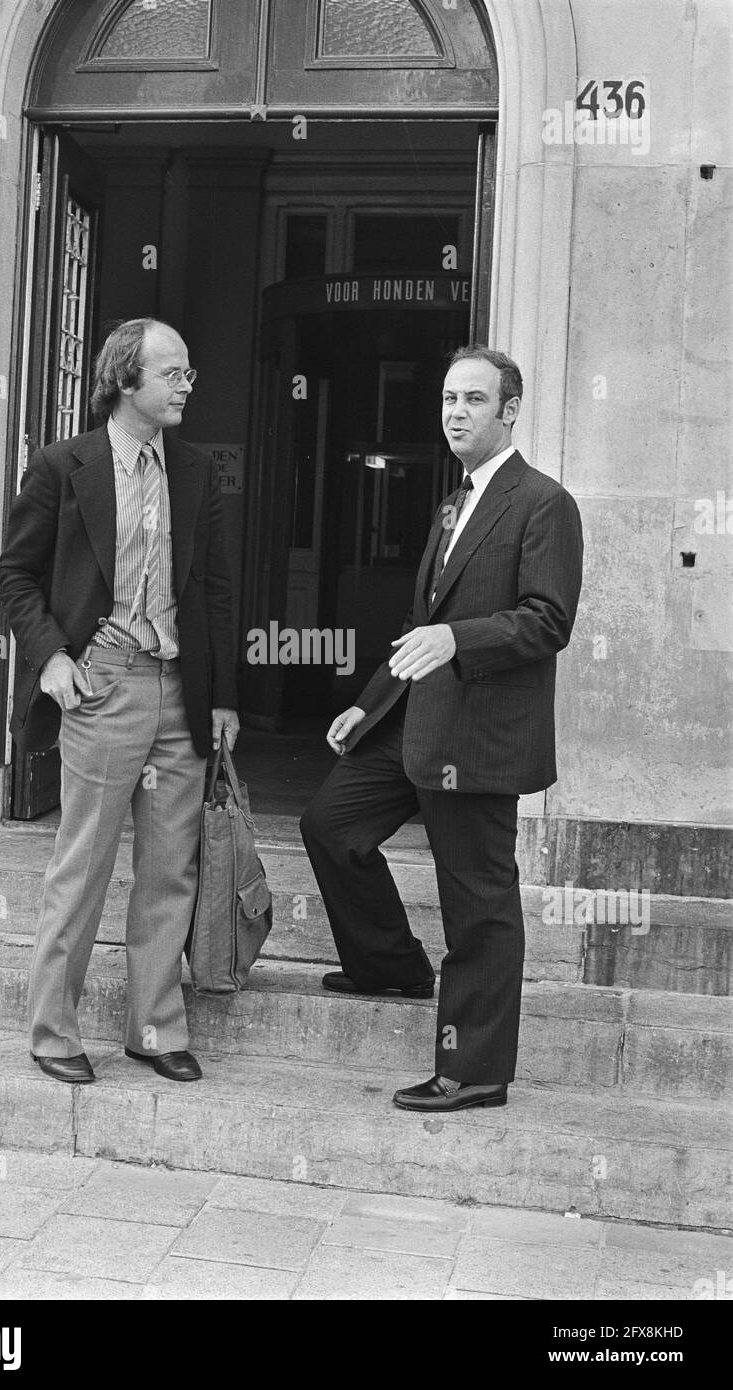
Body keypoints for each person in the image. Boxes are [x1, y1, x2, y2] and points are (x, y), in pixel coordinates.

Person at [300, 346, 583, 1112]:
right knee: (330, 824)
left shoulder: (543, 502)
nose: (456, 412)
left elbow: (546, 620)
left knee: (477, 907)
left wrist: (460, 641)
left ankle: (474, 1071)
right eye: (449, 398)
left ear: (509, 410)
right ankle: (389, 964)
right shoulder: (453, 502)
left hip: (479, 737)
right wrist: (369, 700)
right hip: (413, 720)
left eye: (475, 400)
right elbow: (419, 624)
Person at [0, 318, 238, 1086]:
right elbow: (17, 575)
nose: (186, 385)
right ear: (124, 380)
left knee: (170, 870)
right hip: (101, 686)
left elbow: (217, 592)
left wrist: (224, 697)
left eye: (189, 372)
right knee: (84, 865)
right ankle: (52, 1033)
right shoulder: (62, 467)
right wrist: (52, 662)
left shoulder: (197, 471)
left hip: (179, 693)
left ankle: (153, 1028)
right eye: (171, 373)